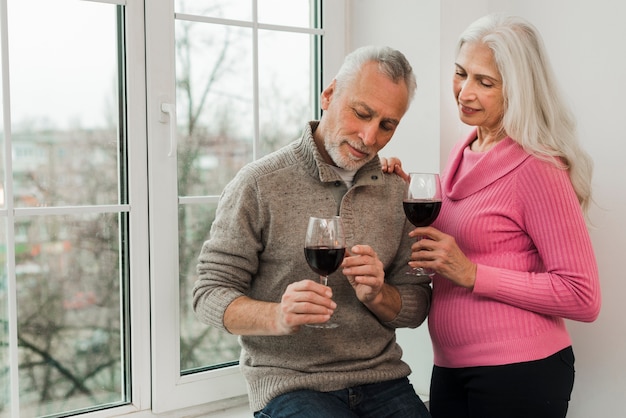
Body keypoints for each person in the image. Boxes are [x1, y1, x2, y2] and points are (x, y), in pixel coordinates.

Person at [193, 45, 432, 418]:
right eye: (362, 113)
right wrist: (278, 317)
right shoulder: (259, 184)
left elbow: (415, 305)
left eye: (387, 125)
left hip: (382, 380)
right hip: (291, 384)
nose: (369, 137)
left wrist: (378, 295)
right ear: (329, 94)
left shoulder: (395, 190)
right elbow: (208, 295)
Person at [383, 13, 601, 418]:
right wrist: (405, 188)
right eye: (461, 73)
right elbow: (474, 224)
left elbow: (583, 296)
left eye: (485, 82)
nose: (465, 92)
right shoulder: (464, 151)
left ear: (517, 91)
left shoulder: (538, 167)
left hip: (519, 372)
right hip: (451, 366)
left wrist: (472, 274)